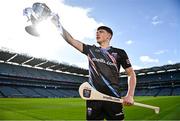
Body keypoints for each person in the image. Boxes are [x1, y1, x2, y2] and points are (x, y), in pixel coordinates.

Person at [52, 16, 136, 120]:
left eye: (101, 32)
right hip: (93, 97)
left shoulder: (120, 53)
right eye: (96, 32)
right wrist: (57, 24)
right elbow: (71, 40)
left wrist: (130, 95)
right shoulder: (91, 50)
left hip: (113, 98)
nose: (97, 33)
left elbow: (131, 73)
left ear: (108, 36)